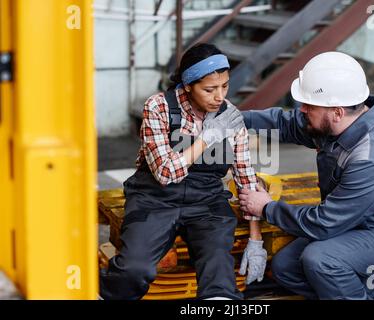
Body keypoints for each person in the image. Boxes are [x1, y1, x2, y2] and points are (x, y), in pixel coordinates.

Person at [238, 51, 374, 300]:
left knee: (321, 259)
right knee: (286, 268)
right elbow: (285, 123)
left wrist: (267, 208)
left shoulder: (371, 159)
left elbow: (324, 223)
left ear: (338, 112)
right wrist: (234, 120)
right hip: (356, 222)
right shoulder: (333, 122)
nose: (302, 109)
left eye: (309, 105)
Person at [99, 43, 267, 300]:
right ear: (188, 85)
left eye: (225, 86)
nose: (220, 97)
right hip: (154, 200)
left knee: (219, 272)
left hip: (207, 202)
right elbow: (165, 173)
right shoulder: (158, 108)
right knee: (134, 269)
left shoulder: (229, 117)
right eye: (209, 89)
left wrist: (256, 241)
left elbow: (246, 178)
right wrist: (207, 137)